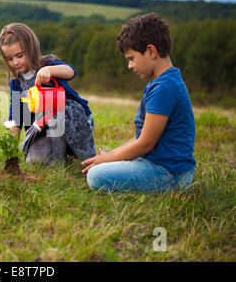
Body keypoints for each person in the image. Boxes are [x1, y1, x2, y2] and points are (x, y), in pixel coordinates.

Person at [82, 12, 196, 193]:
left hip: (169, 174)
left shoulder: (164, 88)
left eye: (131, 58)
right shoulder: (161, 82)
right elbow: (141, 138)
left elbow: (145, 143)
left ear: (151, 51)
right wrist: (111, 156)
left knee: (96, 176)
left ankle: (171, 188)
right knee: (102, 167)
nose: (129, 66)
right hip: (156, 165)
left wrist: (109, 160)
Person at [0, 23, 96, 165]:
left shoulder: (46, 63)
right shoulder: (16, 83)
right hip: (42, 131)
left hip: (71, 121)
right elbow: (16, 118)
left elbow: (71, 71)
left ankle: (63, 158)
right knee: (34, 161)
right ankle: (62, 153)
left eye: (19, 55)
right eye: (9, 58)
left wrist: (49, 70)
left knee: (54, 114)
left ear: (30, 49)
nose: (15, 62)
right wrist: (9, 147)